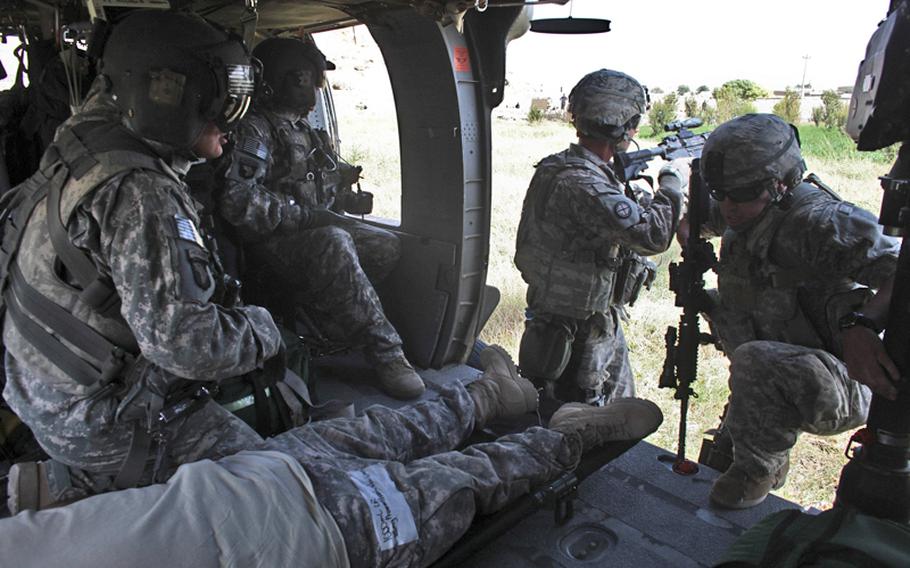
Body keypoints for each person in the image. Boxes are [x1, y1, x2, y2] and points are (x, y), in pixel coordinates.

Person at [0, 342, 664, 568]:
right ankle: (561, 425)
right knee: (434, 459)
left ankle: (509, 402)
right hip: (295, 508)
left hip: (289, 500)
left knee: (421, 447)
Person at [2, 10, 284, 512]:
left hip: (33, 382)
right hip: (88, 419)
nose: (228, 122)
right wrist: (264, 333)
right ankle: (88, 486)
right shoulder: (142, 193)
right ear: (167, 97)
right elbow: (185, 345)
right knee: (270, 488)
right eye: (217, 102)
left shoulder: (84, 137)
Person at [692, 113, 899, 509]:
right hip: (778, 366)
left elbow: (902, 268)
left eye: (740, 192)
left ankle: (760, 471)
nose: (729, 206)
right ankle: (745, 448)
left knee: (754, 359)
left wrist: (864, 325)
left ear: (779, 185)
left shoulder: (822, 223)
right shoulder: (745, 209)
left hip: (851, 379)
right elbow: (699, 223)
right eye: (720, 192)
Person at [216, 36, 425, 400]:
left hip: (311, 233)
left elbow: (320, 179)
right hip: (271, 243)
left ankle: (329, 321)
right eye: (308, 79)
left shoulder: (306, 130)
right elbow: (239, 202)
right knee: (335, 242)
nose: (315, 88)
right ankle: (387, 353)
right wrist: (306, 217)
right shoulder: (255, 130)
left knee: (385, 245)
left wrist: (346, 196)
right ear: (287, 79)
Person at [514, 69, 686, 406]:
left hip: (595, 317)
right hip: (578, 331)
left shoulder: (567, 168)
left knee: (618, 411)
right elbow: (654, 236)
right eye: (634, 122)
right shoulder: (584, 183)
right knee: (580, 417)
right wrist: (672, 178)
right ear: (623, 125)